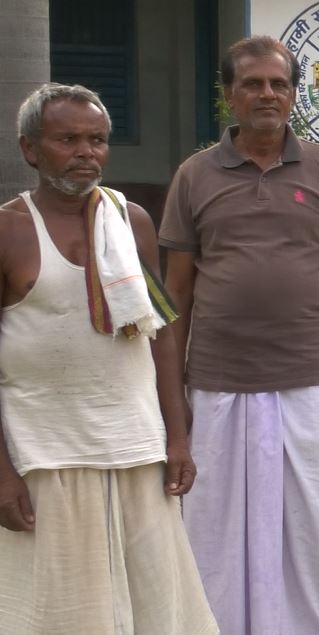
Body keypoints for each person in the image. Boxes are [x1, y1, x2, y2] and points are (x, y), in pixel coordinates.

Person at [161, 36, 319, 634]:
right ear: (230, 94)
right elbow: (175, 295)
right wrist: (173, 397)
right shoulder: (194, 176)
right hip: (217, 379)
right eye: (252, 84)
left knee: (308, 523)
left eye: (279, 84)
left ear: (294, 93)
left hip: (305, 378)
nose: (266, 95)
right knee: (215, 521)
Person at [0, 84, 217, 633]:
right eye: (67, 139)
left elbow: (160, 333)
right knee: (55, 612)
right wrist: (1, 471)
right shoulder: (8, 232)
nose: (85, 152)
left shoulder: (130, 222)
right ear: (30, 149)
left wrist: (176, 437)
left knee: (154, 607)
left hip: (134, 447)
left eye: (96, 140)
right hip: (44, 456)